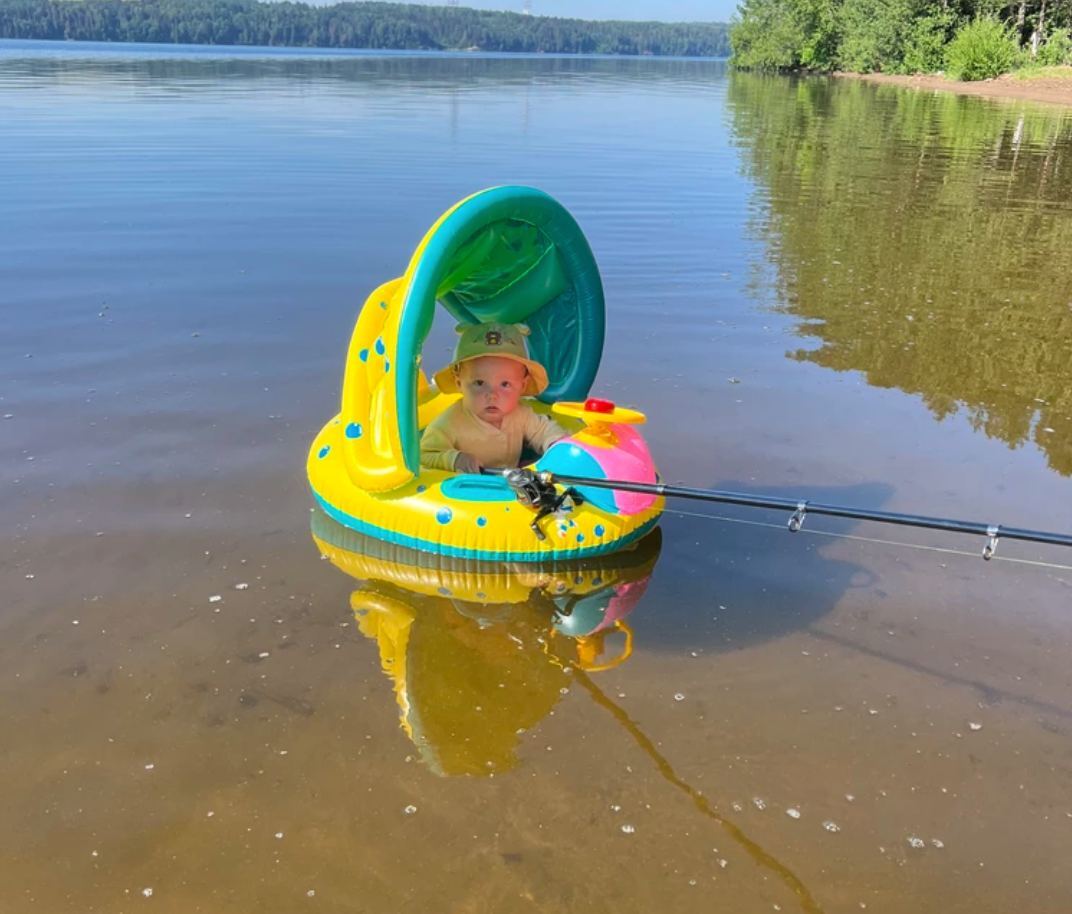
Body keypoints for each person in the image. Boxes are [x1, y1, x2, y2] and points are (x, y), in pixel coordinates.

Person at [421, 322, 567, 474]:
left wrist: (556, 444)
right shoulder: (449, 423)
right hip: (470, 485)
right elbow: (423, 456)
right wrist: (453, 459)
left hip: (511, 483)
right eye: (479, 383)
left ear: (522, 386)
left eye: (505, 384)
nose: (492, 395)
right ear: (459, 383)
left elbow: (543, 430)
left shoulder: (521, 413)